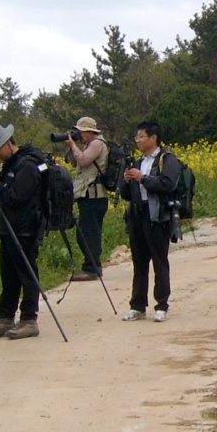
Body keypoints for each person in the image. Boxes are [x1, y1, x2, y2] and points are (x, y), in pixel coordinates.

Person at [0, 123, 46, 340]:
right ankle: (5, 317)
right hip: (9, 227)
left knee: (27, 274)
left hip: (25, 229)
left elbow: (17, 198)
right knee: (8, 275)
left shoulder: (26, 165)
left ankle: (28, 320)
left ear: (8, 143)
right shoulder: (11, 164)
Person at [119, 121, 180, 322]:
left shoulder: (167, 159)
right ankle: (137, 306)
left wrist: (142, 178)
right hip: (138, 214)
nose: (138, 140)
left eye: (141, 136)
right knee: (139, 263)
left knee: (160, 262)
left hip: (158, 217)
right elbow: (127, 195)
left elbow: (167, 184)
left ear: (153, 138)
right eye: (137, 137)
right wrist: (127, 181)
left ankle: (161, 305)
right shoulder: (137, 162)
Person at [63, 117, 110, 281]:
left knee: (89, 233)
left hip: (94, 196)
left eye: (80, 132)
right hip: (88, 195)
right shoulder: (88, 145)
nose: (78, 135)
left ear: (90, 132)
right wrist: (73, 148)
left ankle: (91, 268)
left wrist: (74, 146)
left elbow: (83, 161)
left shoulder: (97, 143)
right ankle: (91, 266)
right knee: (86, 231)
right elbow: (74, 163)